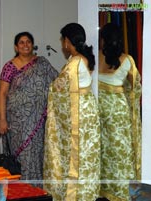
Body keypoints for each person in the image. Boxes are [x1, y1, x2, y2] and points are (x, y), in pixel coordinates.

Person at [43, 23, 101, 201]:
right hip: (88, 111)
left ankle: (74, 196)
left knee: (75, 156)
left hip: (78, 115)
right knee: (85, 155)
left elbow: (58, 88)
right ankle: (85, 194)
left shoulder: (74, 63)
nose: (62, 44)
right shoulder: (82, 58)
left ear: (68, 41)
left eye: (62, 40)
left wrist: (50, 89)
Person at [0, 31, 58, 183]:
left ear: (33, 45)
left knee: (36, 154)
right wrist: (2, 120)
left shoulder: (42, 63)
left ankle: (36, 188)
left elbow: (58, 81)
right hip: (16, 121)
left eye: (28, 42)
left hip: (38, 120)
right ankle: (21, 188)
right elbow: (3, 94)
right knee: (20, 155)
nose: (25, 45)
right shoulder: (9, 67)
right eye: (21, 43)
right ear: (16, 47)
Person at [98, 22, 142, 201]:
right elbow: (136, 87)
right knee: (119, 153)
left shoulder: (94, 57)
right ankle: (121, 192)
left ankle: (103, 190)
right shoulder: (128, 60)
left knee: (102, 151)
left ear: (103, 40)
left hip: (98, 111)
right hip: (118, 113)